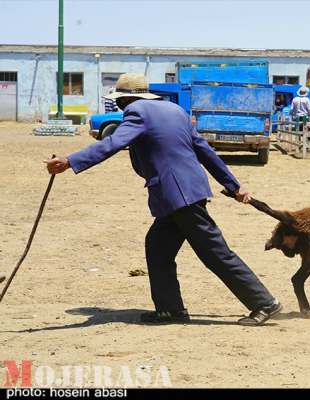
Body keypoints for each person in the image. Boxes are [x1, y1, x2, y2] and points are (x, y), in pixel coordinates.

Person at [44, 73, 282, 326]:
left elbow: (113, 142)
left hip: (177, 194)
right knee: (157, 248)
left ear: (125, 99)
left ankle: (263, 302)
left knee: (215, 253)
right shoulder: (175, 110)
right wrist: (233, 185)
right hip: (184, 193)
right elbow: (203, 149)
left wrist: (70, 161)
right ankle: (170, 310)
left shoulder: (136, 112)